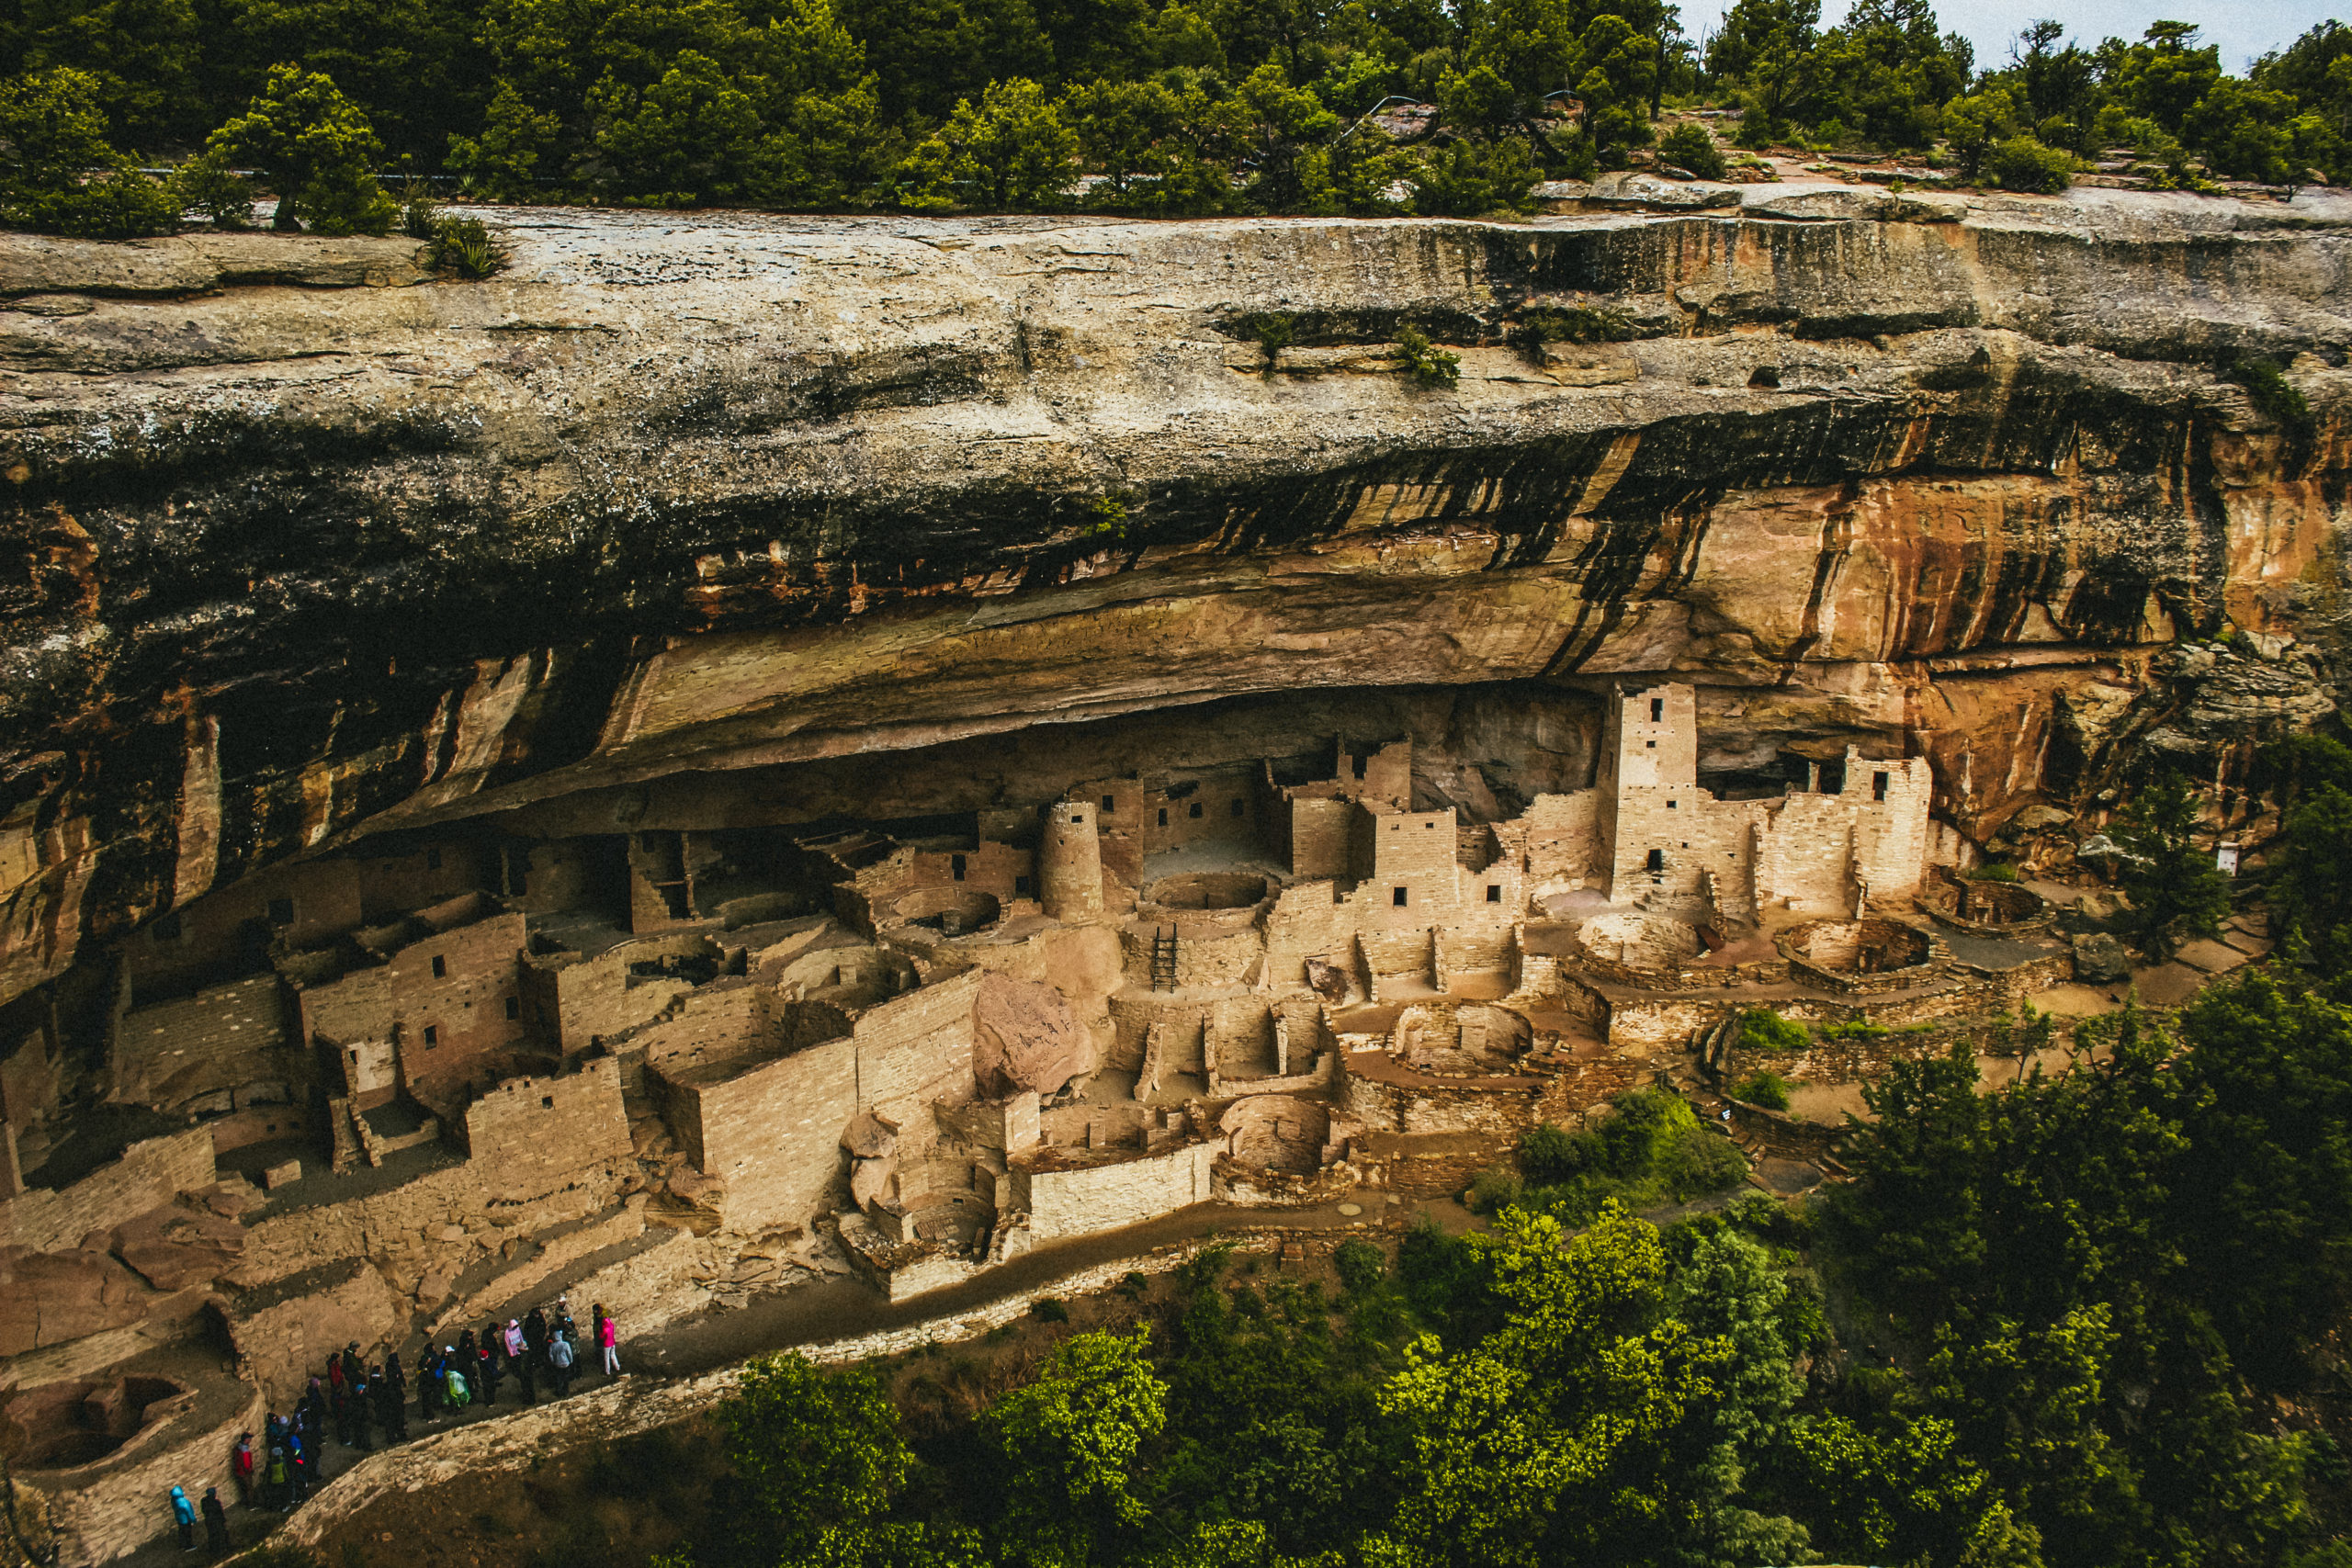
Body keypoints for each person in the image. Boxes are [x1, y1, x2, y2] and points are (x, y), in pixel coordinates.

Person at [546, 1325, 575, 1398]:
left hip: (558, 1364)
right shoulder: (565, 1344)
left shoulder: (552, 1346)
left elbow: (551, 1356)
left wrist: (553, 1362)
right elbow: (569, 1353)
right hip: (566, 1364)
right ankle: (566, 1391)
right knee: (566, 1378)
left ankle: (559, 1391)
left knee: (559, 1378)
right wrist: (571, 1361)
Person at [200, 1486, 229, 1554]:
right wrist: (223, 1520)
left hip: (208, 1520)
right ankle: (223, 1548)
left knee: (211, 1534)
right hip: (217, 1520)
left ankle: (213, 1549)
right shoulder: (216, 1502)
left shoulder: (203, 1501)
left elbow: (203, 1510)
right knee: (221, 1534)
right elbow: (220, 1511)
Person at [230, 1432, 255, 1506]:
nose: (250, 1440)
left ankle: (244, 1502)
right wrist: (250, 1471)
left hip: (239, 1472)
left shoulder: (238, 1448)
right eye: (249, 1438)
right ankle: (251, 1504)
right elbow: (246, 1463)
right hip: (244, 1473)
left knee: (243, 1488)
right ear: (246, 1440)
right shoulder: (244, 1451)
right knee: (249, 1488)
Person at [594, 1304, 619, 1377]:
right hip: (612, 1343)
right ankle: (617, 1367)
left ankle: (607, 1371)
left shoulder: (605, 1329)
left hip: (606, 1345)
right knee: (613, 1355)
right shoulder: (611, 1326)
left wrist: (599, 1331)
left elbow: (601, 1336)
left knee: (606, 1358)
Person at [170, 1484, 197, 1551]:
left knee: (181, 1532)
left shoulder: (173, 1500)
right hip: (186, 1520)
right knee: (187, 1533)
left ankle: (182, 1545)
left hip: (179, 1519)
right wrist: (193, 1520)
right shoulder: (184, 1502)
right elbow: (189, 1512)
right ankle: (189, 1546)